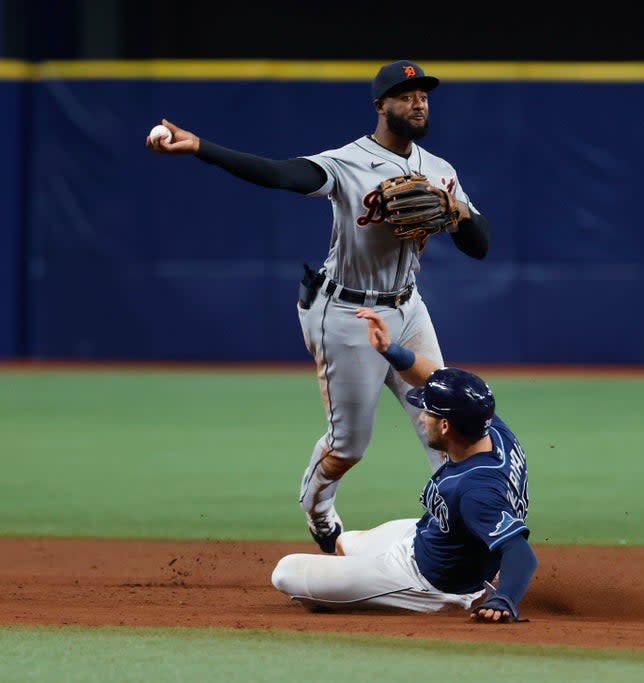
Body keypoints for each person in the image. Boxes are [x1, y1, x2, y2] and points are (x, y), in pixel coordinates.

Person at [146, 60, 491, 553]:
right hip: (345, 312)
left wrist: (455, 211)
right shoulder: (347, 161)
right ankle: (318, 507)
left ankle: (464, 543)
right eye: (405, 94)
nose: (417, 102)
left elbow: (479, 245)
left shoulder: (440, 171)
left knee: (446, 418)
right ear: (380, 106)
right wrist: (201, 147)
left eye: (424, 95)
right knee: (349, 445)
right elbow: (280, 175)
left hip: (409, 310)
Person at [269, 307, 535, 623]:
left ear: (447, 426)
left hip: (425, 582)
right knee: (345, 542)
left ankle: (454, 598)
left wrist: (506, 598)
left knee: (285, 572)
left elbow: (520, 552)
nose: (422, 417)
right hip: (426, 537)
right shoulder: (489, 428)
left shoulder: (477, 489)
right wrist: (389, 350)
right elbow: (433, 377)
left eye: (428, 413)